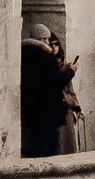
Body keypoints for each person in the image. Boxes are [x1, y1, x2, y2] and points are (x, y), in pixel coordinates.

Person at [19, 23, 67, 158]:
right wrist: (71, 71)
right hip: (48, 108)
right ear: (39, 40)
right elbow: (58, 79)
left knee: (36, 143)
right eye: (45, 39)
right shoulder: (46, 57)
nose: (48, 43)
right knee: (51, 147)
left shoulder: (23, 54)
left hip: (30, 107)